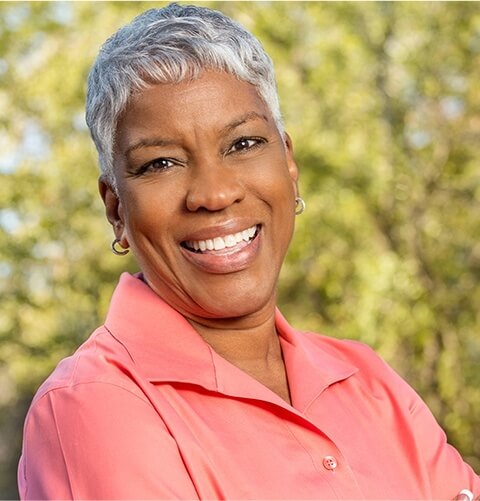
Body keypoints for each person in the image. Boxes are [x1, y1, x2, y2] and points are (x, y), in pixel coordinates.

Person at [18, 3, 479, 500]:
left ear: (289, 164)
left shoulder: (368, 381)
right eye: (161, 163)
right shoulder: (94, 406)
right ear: (116, 210)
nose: (214, 194)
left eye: (242, 144)